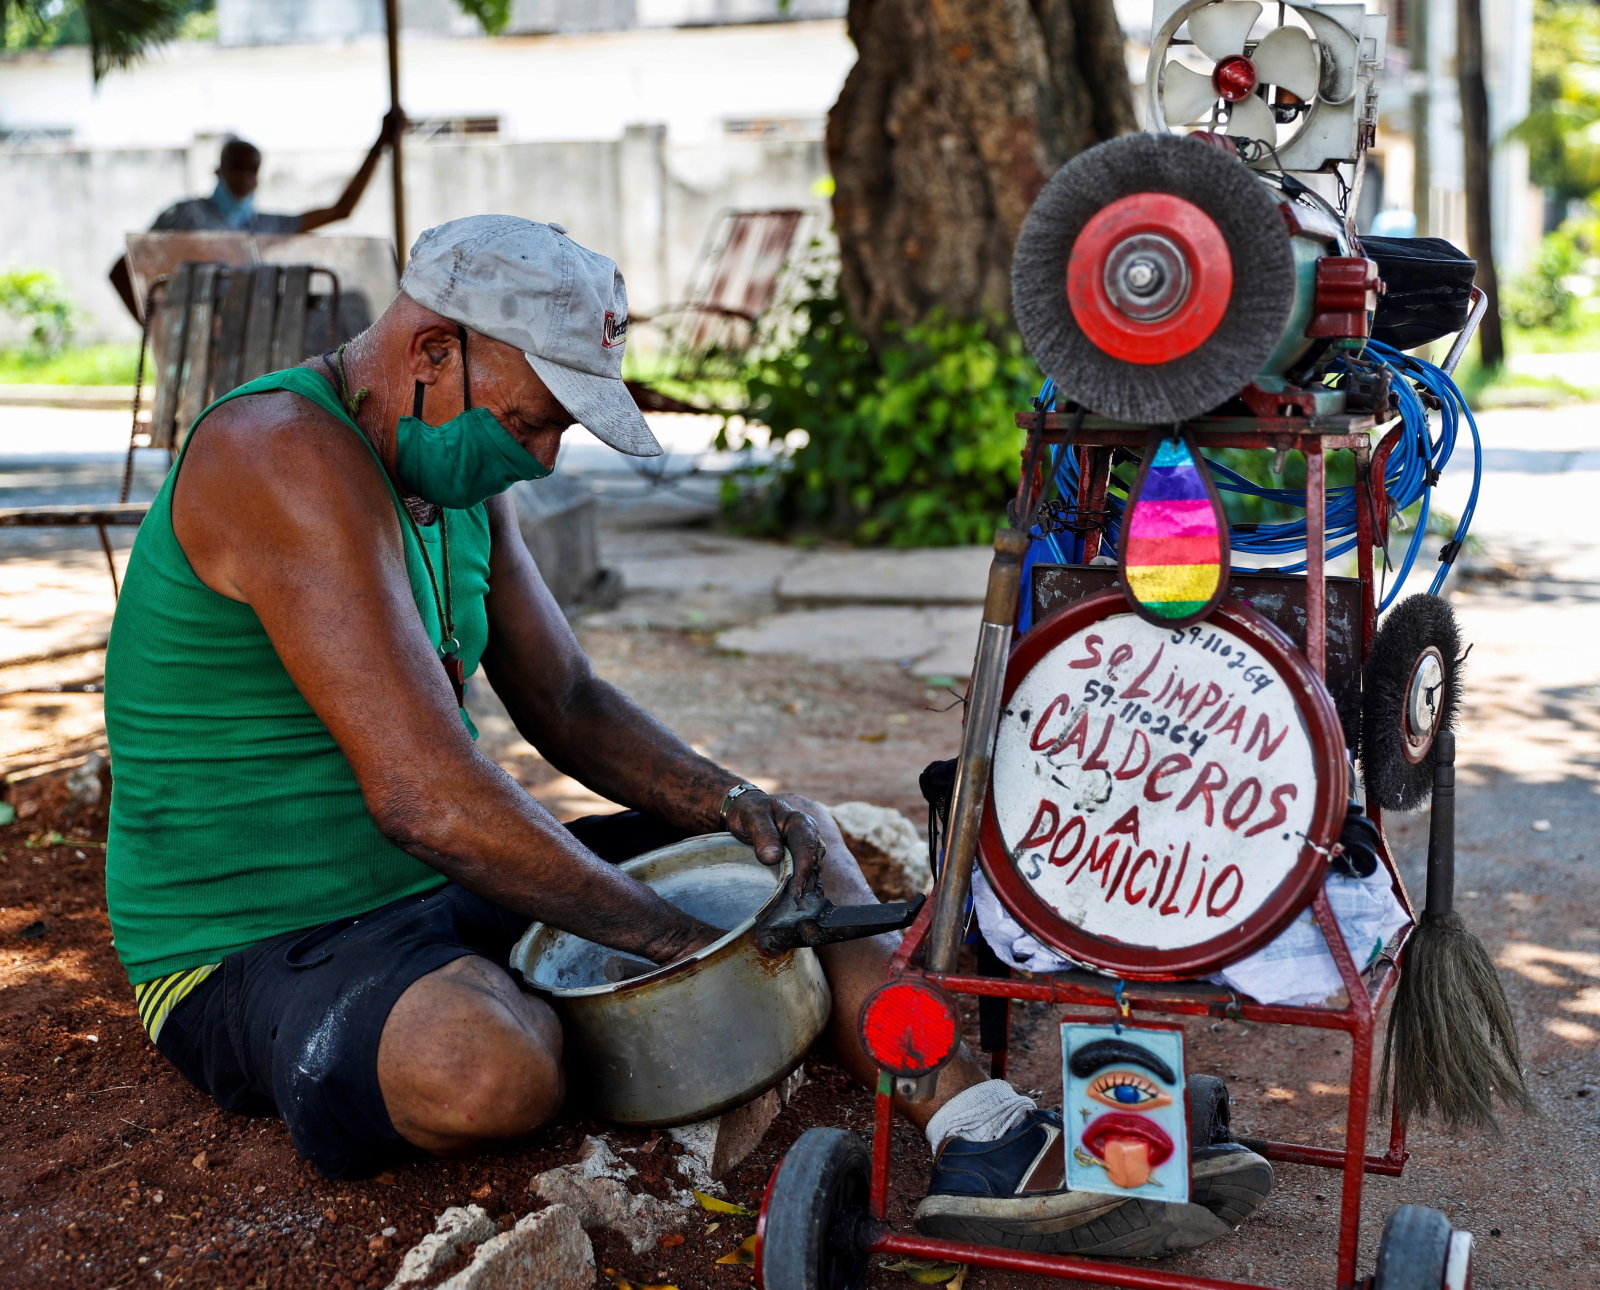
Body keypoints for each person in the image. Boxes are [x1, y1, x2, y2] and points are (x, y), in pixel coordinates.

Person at [102, 214, 1269, 1257]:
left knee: (796, 844)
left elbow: (567, 704)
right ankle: (650, 1016)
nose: (542, 457)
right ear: (430, 352)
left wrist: (732, 806)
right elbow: (428, 800)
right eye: (531, 422)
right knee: (487, 1069)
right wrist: (672, 942)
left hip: (434, 889)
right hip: (257, 939)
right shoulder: (280, 454)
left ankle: (980, 1128)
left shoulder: (451, 473)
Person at [108, 114, 403, 320]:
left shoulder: (262, 227)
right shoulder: (185, 217)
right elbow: (123, 269)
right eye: (236, 167)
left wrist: (380, 145)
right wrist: (152, 327)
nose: (244, 178)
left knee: (348, 305)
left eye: (252, 171)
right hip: (193, 336)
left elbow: (341, 210)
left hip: (245, 339)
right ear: (218, 170)